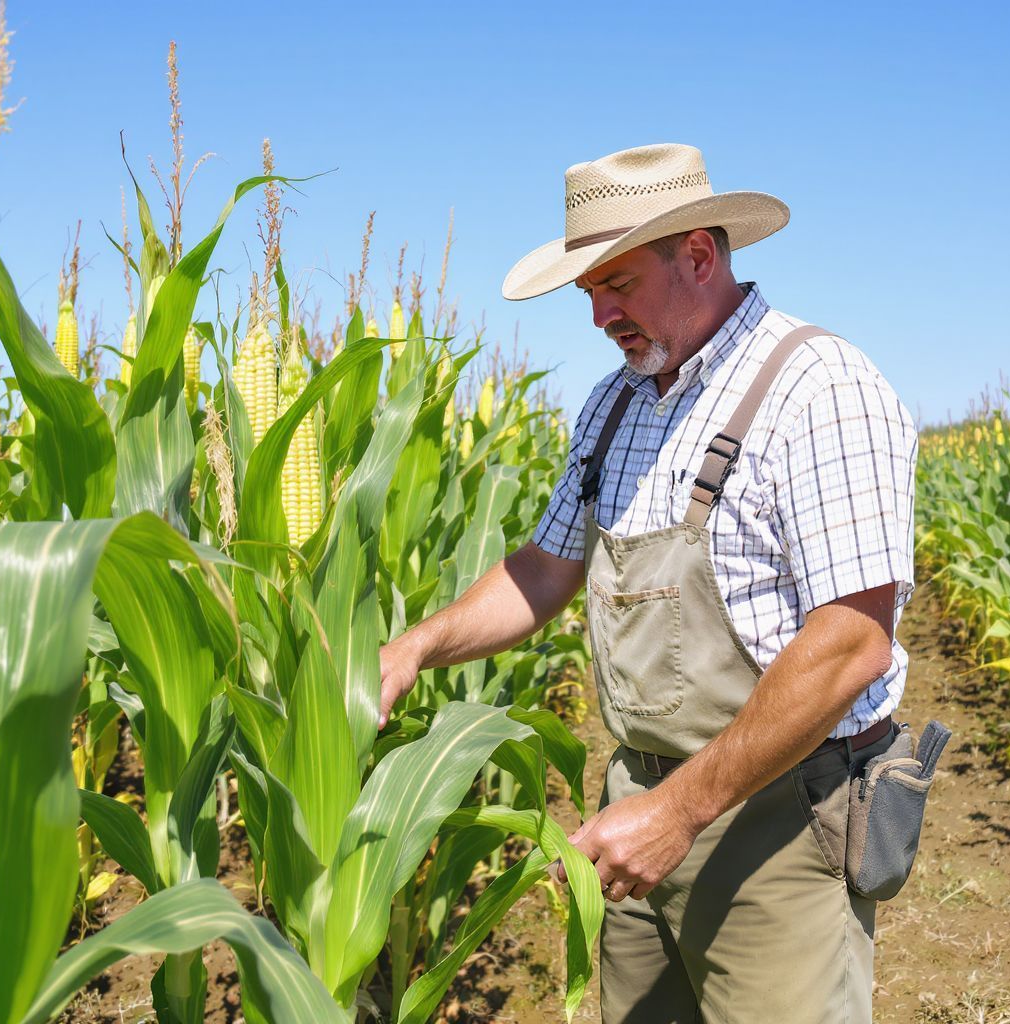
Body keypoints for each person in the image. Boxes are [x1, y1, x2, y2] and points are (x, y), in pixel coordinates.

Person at [378, 143, 918, 1023]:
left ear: (699, 256)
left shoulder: (820, 389)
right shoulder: (613, 404)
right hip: (635, 805)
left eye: (616, 283)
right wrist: (415, 647)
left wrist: (680, 811)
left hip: (775, 821)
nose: (597, 314)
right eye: (586, 291)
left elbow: (852, 642)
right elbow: (547, 568)